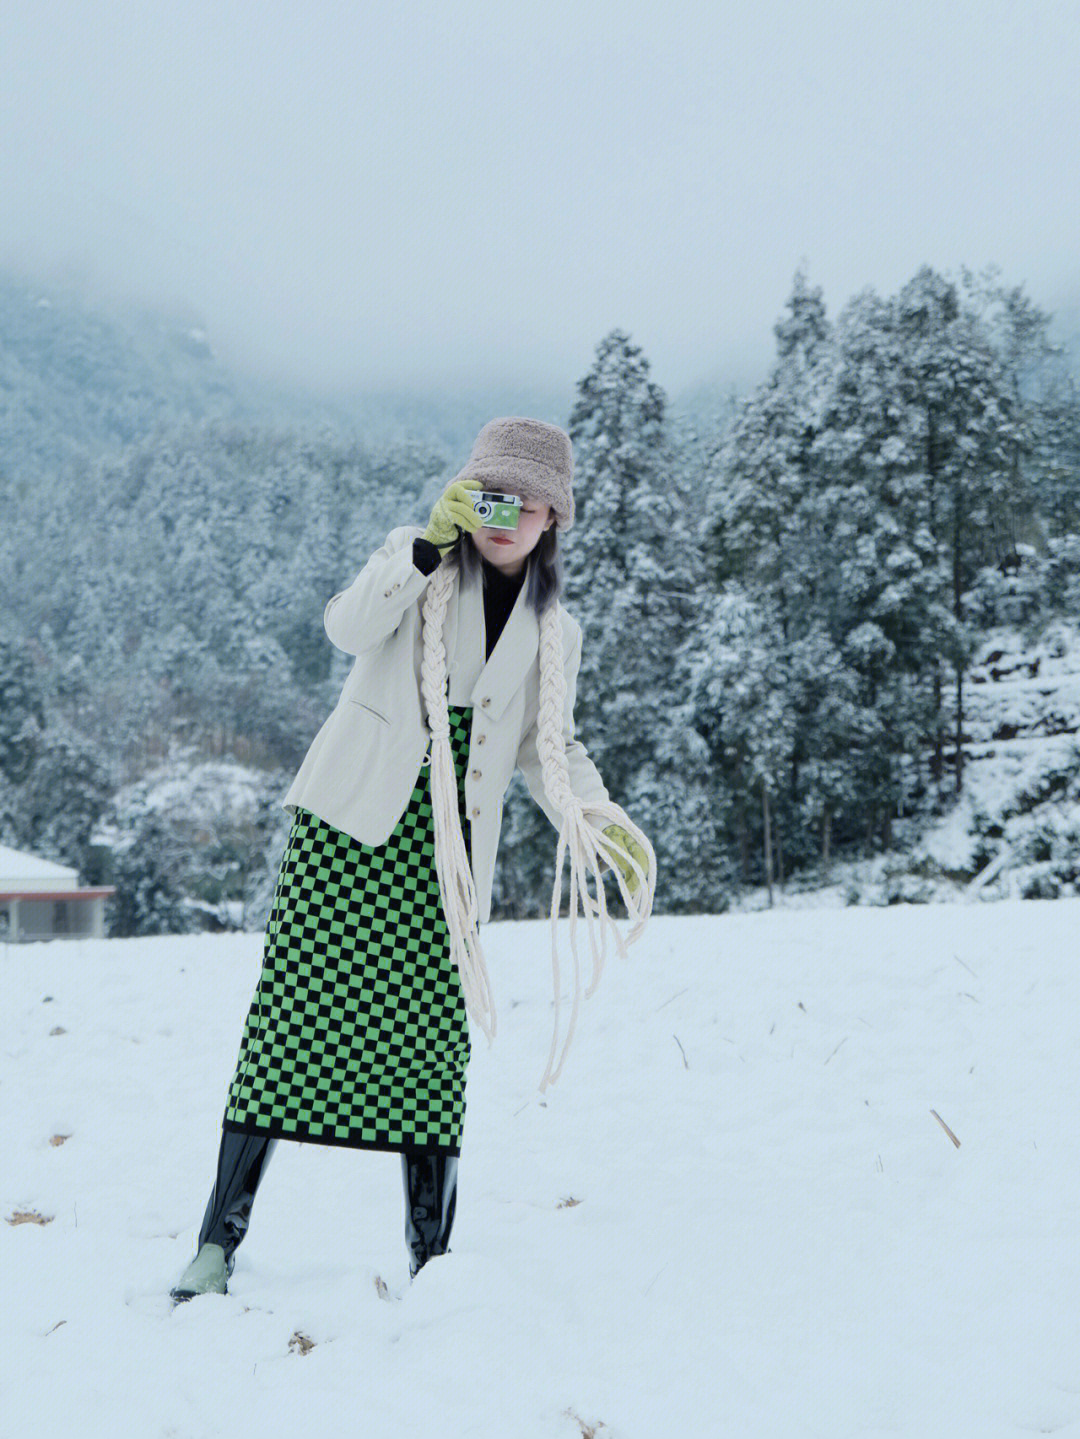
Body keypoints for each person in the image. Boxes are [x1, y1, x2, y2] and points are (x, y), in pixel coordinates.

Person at [170, 417, 654, 1302]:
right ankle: (217, 1241)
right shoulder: (418, 561)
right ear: (468, 497)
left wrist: (598, 818)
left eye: (526, 498)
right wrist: (425, 546)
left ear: (554, 515)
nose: (505, 513)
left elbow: (550, 749)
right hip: (352, 827)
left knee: (432, 1048)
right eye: (490, 493)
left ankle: (431, 1260)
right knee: (286, 1031)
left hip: (450, 856)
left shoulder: (558, 632)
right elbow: (347, 629)